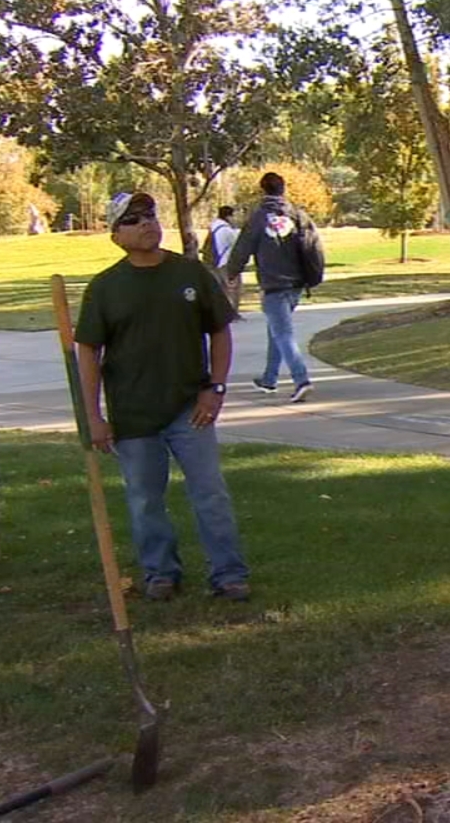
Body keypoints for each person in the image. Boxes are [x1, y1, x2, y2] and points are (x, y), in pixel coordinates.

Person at [74, 192, 251, 602]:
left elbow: (220, 331)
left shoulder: (189, 273)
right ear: (116, 235)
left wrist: (216, 387)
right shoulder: (105, 288)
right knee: (144, 500)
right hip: (133, 414)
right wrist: (93, 416)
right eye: (133, 219)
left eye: (150, 215)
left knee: (210, 492)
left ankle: (228, 574)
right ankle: (160, 573)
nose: (146, 224)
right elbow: (88, 352)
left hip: (190, 407)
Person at [223, 173, 319, 403]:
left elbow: (242, 248)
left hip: (274, 284)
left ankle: (301, 380)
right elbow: (313, 246)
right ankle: (269, 378)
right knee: (276, 329)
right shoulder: (297, 215)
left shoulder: (259, 218)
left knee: (283, 333)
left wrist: (231, 272)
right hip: (296, 284)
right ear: (283, 188)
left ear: (263, 190)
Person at [205, 205, 244, 314]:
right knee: (233, 288)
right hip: (227, 262)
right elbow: (237, 242)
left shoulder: (214, 227)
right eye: (233, 216)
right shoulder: (227, 230)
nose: (235, 219)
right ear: (228, 217)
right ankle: (232, 313)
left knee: (221, 289)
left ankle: (222, 313)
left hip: (214, 263)